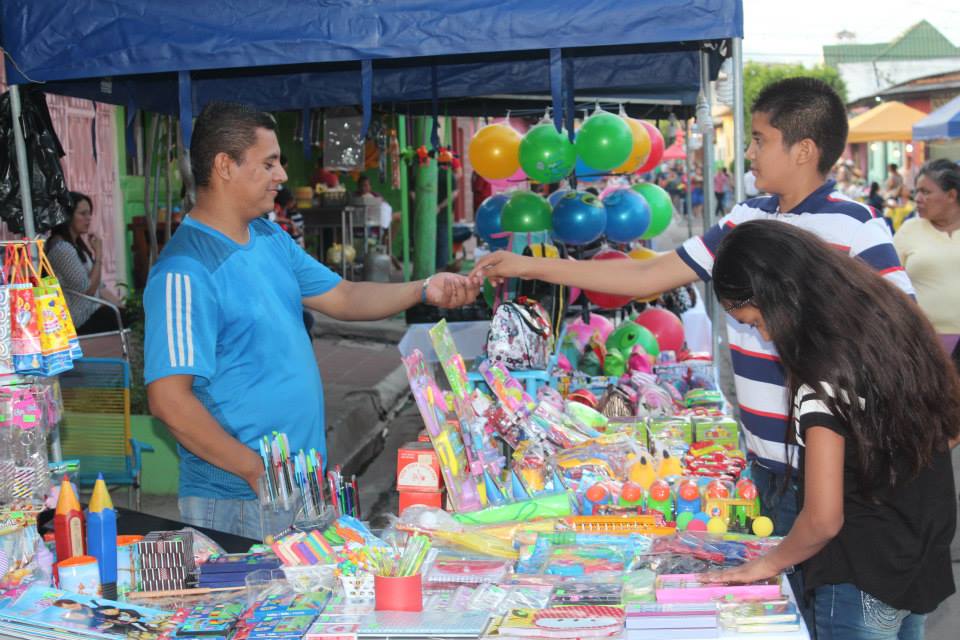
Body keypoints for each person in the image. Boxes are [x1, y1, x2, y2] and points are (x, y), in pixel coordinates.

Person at [471, 75, 913, 542]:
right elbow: (649, 276)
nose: (749, 154)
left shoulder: (856, 225)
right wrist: (535, 267)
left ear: (803, 150)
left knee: (832, 607)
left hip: (835, 474)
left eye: (760, 141)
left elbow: (900, 333)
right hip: (764, 466)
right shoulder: (746, 219)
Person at [144, 103, 479, 539]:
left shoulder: (267, 237)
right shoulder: (185, 270)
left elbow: (342, 295)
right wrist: (258, 473)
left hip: (302, 484)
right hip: (241, 501)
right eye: (268, 163)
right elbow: (169, 402)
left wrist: (424, 288)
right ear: (225, 166)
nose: (282, 175)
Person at [705, 219, 958, 640]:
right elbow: (950, 422)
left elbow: (823, 520)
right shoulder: (892, 319)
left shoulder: (823, 375)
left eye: (755, 321)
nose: (764, 335)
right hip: (916, 556)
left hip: (861, 573)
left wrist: (767, 563)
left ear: (777, 296)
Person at [894, 159, 960, 355]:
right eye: (917, 192)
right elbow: (887, 279)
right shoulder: (910, 230)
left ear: (951, 195)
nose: (918, 198)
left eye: (926, 192)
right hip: (922, 341)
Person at [46, 192, 126, 335]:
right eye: (83, 214)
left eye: (89, 214)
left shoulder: (77, 246)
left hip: (92, 313)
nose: (88, 219)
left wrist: (123, 308)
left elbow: (99, 288)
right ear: (68, 217)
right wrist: (99, 255)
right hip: (77, 321)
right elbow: (87, 288)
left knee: (130, 316)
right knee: (115, 317)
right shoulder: (61, 248)